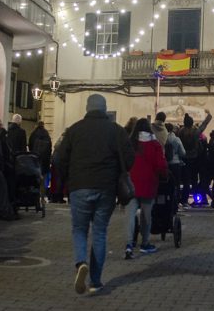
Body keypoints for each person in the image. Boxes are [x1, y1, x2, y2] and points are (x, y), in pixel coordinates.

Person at [56, 94, 134, 294]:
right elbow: (130, 158)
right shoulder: (116, 131)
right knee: (100, 232)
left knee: (79, 229)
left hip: (79, 186)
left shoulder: (74, 130)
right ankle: (95, 281)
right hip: (106, 188)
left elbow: (58, 159)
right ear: (105, 108)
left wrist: (68, 179)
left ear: (87, 108)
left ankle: (81, 262)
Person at [124, 118, 168, 260]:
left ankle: (129, 245)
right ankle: (145, 243)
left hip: (131, 184)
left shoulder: (130, 143)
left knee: (129, 216)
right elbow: (161, 165)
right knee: (146, 214)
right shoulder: (154, 144)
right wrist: (164, 174)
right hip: (149, 184)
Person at [177, 110, 212, 207]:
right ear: (192, 123)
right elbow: (204, 125)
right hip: (195, 159)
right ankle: (197, 199)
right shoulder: (196, 132)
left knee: (186, 181)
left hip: (184, 159)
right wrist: (209, 115)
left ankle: (184, 200)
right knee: (194, 180)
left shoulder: (180, 132)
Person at [165, 123, 186, 206]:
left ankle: (167, 200)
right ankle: (176, 202)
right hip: (175, 163)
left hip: (166, 164)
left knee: (166, 183)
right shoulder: (176, 139)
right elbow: (183, 152)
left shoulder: (163, 138)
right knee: (176, 184)